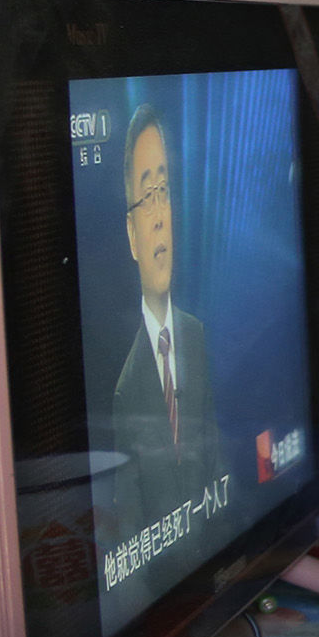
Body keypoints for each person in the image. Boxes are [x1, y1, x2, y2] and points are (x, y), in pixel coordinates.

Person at [110, 103, 221, 542]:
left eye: (165, 191)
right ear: (133, 234)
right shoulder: (125, 387)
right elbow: (130, 526)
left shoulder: (195, 335)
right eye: (146, 196)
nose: (159, 215)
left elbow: (216, 462)